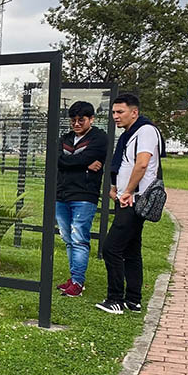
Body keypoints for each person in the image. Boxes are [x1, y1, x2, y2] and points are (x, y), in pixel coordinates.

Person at [96, 93, 163, 314]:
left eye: (120, 112)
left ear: (134, 112)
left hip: (134, 199)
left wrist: (128, 191)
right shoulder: (129, 134)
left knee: (111, 248)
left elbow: (142, 164)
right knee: (131, 249)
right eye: (114, 112)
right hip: (127, 197)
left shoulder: (145, 131)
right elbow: (124, 164)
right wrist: (116, 188)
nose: (115, 116)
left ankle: (115, 298)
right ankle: (133, 300)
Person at [55, 101, 109, 297]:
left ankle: (78, 282)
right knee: (67, 238)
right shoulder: (65, 138)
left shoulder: (99, 137)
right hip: (61, 194)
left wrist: (72, 163)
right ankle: (73, 278)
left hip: (85, 195)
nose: (76, 124)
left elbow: (87, 157)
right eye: (73, 120)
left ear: (91, 119)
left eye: (81, 120)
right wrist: (84, 164)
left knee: (79, 238)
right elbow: (57, 160)